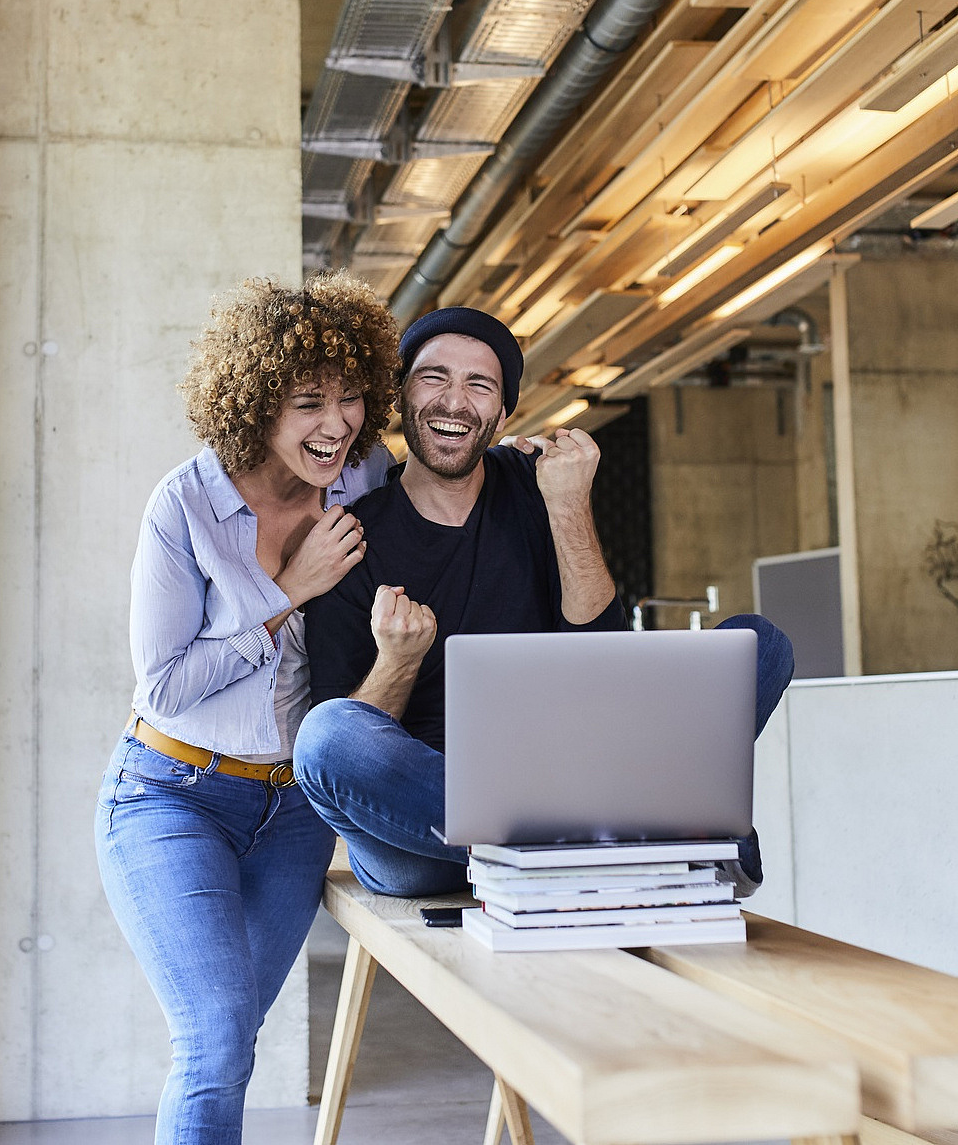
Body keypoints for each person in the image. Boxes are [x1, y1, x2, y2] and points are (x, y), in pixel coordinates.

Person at [293, 306, 794, 899]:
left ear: (503, 415)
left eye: (479, 385)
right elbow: (345, 750)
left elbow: (601, 657)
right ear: (402, 396)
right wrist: (398, 662)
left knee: (761, 644)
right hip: (430, 839)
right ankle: (628, 831)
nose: (453, 401)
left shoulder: (540, 486)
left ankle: (589, 832)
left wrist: (568, 506)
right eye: (433, 378)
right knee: (326, 737)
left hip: (568, 770)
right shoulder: (351, 539)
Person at [94, 272, 400, 1145]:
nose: (335, 423)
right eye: (308, 401)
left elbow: (447, 486)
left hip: (295, 811)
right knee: (214, 1037)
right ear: (256, 402)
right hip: (170, 793)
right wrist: (284, 592)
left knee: (231, 1041)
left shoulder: (362, 477)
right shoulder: (185, 505)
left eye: (349, 399)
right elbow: (166, 683)